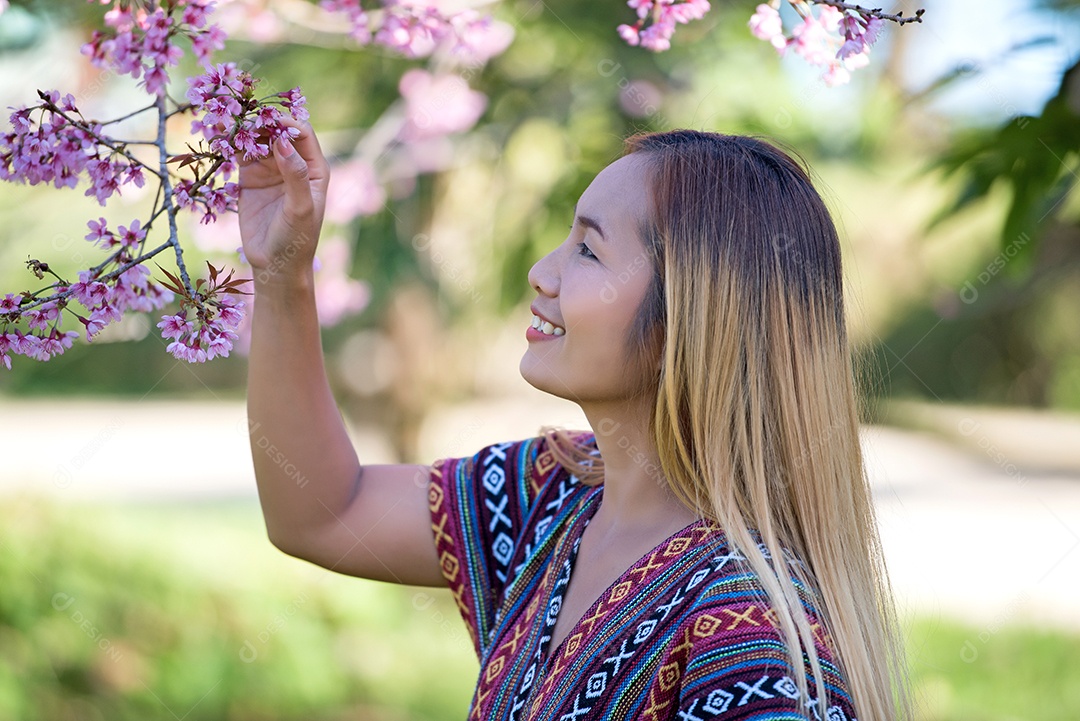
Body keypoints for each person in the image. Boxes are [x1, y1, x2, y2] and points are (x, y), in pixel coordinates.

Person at [239, 120, 913, 721]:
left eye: (588, 251)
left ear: (693, 316)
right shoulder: (555, 495)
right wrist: (283, 274)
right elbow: (325, 512)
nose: (541, 272)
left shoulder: (748, 644)